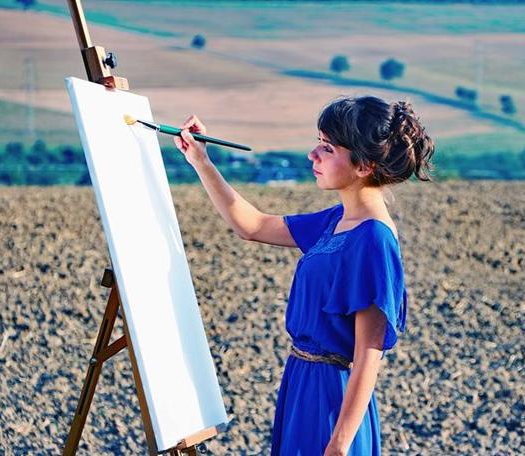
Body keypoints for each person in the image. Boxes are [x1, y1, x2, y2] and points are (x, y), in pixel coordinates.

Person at [174, 95, 434, 455]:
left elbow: (368, 355)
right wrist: (201, 160)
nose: (313, 156)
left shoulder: (374, 239)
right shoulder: (336, 220)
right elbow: (253, 226)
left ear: (364, 166)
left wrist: (339, 444)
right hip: (301, 385)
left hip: (333, 400)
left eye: (327, 148)